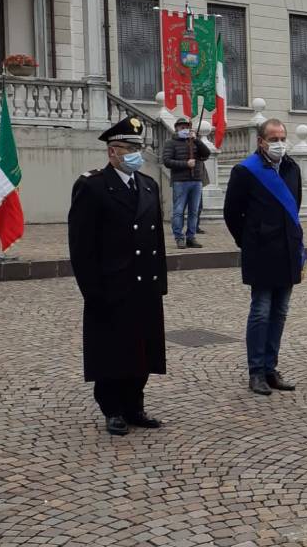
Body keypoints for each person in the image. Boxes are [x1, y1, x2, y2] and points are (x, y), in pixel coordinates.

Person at [67, 116, 167, 436]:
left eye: (139, 148)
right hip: (112, 284)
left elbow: (157, 242)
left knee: (142, 347)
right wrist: (92, 292)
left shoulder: (149, 185)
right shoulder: (92, 186)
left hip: (144, 284)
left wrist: (159, 283)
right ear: (113, 151)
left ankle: (135, 404)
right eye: (130, 148)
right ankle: (112, 408)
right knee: (112, 350)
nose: (137, 154)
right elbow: (81, 246)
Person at [223, 118, 303, 396]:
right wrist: (248, 241)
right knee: (261, 311)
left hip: (288, 251)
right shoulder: (246, 171)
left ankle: (271, 368)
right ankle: (256, 371)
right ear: (261, 142)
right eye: (274, 138)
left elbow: (295, 209)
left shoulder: (292, 168)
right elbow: (232, 213)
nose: (280, 143)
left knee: (279, 313)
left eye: (282, 137)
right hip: (261, 252)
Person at [162, 116, 210, 249]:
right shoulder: (170, 143)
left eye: (187, 127)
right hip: (180, 181)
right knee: (178, 211)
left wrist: (197, 140)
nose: (185, 129)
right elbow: (167, 161)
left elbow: (206, 153)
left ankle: (191, 237)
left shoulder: (194, 141)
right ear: (176, 128)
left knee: (194, 211)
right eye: (182, 127)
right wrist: (185, 164)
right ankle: (179, 237)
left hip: (196, 181)